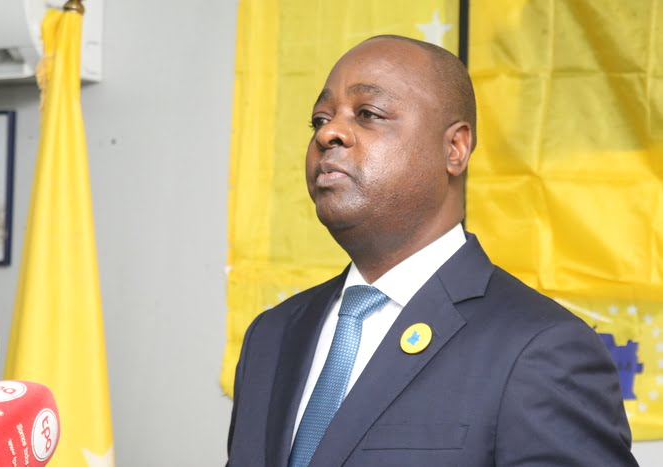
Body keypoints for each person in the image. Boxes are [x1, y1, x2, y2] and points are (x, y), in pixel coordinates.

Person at [227, 35, 638, 466]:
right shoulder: (271, 337)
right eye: (319, 120)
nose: (329, 133)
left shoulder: (541, 349)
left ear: (455, 148)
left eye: (368, 114)